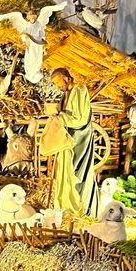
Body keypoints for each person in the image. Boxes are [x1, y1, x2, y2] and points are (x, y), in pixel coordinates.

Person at [46, 68, 99, 216]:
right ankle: (66, 208)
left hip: (78, 140)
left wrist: (60, 117)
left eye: (58, 83)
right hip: (66, 141)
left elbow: (80, 118)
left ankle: (80, 209)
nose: (58, 87)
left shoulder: (80, 90)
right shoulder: (65, 95)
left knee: (77, 172)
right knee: (65, 173)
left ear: (67, 78)